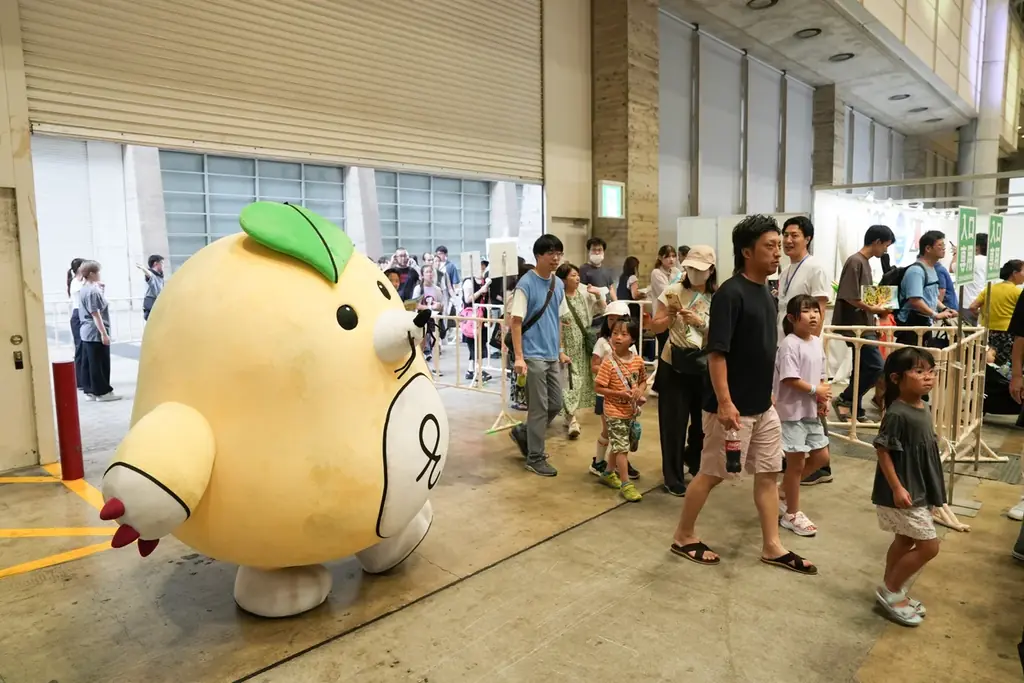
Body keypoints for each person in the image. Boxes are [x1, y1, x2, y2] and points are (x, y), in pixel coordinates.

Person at [669, 214, 816, 575]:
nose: (777, 253)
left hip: (762, 406)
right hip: (731, 408)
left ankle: (772, 546)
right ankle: (684, 536)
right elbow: (717, 353)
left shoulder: (766, 292)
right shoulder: (729, 295)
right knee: (712, 474)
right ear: (747, 251)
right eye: (770, 246)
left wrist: (769, 398)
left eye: (780, 246)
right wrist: (724, 402)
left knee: (768, 473)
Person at [871, 347, 945, 627]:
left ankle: (893, 588)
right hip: (904, 491)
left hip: (920, 487)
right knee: (930, 546)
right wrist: (897, 487)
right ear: (896, 378)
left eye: (931, 371)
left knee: (904, 539)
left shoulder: (921, 406)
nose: (928, 377)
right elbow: (883, 450)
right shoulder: (898, 413)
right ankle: (890, 589)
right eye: (918, 371)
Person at [649, 244, 716, 496]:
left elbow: (723, 334)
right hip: (674, 363)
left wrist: (701, 324)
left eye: (700, 270)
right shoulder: (673, 290)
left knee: (703, 424)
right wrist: (670, 318)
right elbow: (654, 327)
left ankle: (695, 462)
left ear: (711, 270)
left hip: (704, 366)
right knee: (673, 423)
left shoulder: (718, 296)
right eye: (690, 269)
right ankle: (673, 475)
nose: (694, 274)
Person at [776, 216, 833, 486]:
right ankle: (795, 460)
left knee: (812, 401)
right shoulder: (786, 270)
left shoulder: (815, 268)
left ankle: (820, 465)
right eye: (785, 235)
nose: (788, 240)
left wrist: (812, 349)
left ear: (807, 238)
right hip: (785, 346)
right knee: (792, 404)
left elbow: (818, 312)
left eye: (794, 235)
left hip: (805, 349)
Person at [508, 235, 569, 477]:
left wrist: (561, 350)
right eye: (551, 253)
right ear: (539, 256)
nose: (556, 258)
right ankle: (535, 457)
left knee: (555, 403)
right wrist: (519, 357)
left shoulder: (558, 284)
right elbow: (515, 322)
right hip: (532, 354)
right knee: (539, 408)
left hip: (551, 354)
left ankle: (524, 432)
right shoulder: (526, 284)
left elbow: (559, 320)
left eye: (559, 253)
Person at [774, 295, 832, 537]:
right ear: (791, 318)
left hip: (810, 411)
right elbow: (789, 378)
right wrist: (814, 390)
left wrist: (822, 398)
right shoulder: (790, 344)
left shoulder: (816, 342)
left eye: (816, 311)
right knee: (796, 463)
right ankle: (791, 514)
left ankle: (785, 489)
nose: (814, 316)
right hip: (791, 413)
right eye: (807, 311)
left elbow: (820, 372)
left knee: (821, 457)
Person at [831, 225, 894, 428]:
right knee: (876, 367)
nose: (885, 250)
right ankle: (845, 398)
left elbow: (861, 296)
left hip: (864, 325)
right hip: (856, 326)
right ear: (876, 242)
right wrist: (875, 309)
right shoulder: (855, 262)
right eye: (885, 246)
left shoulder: (864, 263)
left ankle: (854, 408)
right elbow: (850, 296)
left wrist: (877, 307)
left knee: (863, 366)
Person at [594, 316, 647, 502]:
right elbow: (598, 388)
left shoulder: (638, 361)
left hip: (630, 412)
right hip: (613, 411)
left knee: (619, 445)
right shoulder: (608, 363)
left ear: (632, 339)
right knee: (622, 447)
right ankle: (626, 483)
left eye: (624, 334)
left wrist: (638, 393)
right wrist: (619, 395)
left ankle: (608, 473)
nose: (618, 337)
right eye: (615, 333)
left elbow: (642, 381)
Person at [589, 301, 639, 482]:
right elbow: (593, 365)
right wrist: (608, 368)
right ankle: (600, 462)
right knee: (609, 431)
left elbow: (634, 368)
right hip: (606, 395)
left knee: (622, 432)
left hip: (626, 397)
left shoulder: (631, 346)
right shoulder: (602, 342)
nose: (614, 323)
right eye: (610, 319)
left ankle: (616, 462)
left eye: (619, 319)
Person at [556, 262, 605, 439]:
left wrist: (598, 295)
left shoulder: (584, 295)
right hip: (568, 347)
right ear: (563, 280)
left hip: (583, 345)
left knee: (581, 381)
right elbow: (558, 325)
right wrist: (560, 349)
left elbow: (603, 309)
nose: (577, 278)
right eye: (572, 275)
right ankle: (573, 420)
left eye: (577, 275)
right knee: (571, 382)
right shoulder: (559, 298)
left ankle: (570, 417)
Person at [894, 230, 957, 347]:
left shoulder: (931, 268)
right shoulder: (916, 271)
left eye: (944, 245)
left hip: (924, 322)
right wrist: (935, 315)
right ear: (928, 248)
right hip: (912, 324)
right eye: (940, 245)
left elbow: (931, 296)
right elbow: (915, 300)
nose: (944, 249)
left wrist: (944, 309)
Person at [77, 260, 121, 402]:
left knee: (89, 362)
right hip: (95, 331)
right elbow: (96, 313)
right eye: (98, 272)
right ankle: (102, 391)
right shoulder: (92, 291)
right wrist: (104, 333)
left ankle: (90, 390)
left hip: (86, 331)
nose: (99, 275)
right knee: (100, 362)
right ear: (91, 274)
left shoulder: (84, 289)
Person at [970, 259, 1024, 365]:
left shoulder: (990, 288)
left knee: (991, 362)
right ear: (1014, 273)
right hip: (1009, 334)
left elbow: (973, 307)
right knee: (1007, 364)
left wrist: (983, 315)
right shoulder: (1018, 292)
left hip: (989, 333)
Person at [649, 245, 680, 361]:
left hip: (675, 315)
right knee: (664, 349)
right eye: (667, 257)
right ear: (660, 258)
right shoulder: (656, 273)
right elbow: (667, 292)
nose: (671, 259)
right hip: (661, 315)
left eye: (673, 256)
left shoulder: (677, 271)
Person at [579, 237, 617, 323]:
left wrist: (616, 304)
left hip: (607, 312)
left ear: (603, 252)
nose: (596, 252)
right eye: (594, 250)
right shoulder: (583, 269)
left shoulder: (606, 270)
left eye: (599, 250)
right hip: (593, 314)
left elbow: (611, 288)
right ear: (589, 251)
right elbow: (581, 291)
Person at [414, 264, 442, 363]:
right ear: (422, 275)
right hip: (422, 318)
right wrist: (430, 307)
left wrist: (438, 306)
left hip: (434, 319)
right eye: (427, 272)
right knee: (422, 342)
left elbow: (440, 305)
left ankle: (436, 366)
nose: (430, 274)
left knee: (435, 341)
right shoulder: (418, 289)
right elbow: (416, 305)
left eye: (431, 272)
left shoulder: (437, 289)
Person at [960, 232, 989, 325]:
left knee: (967, 336)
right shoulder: (991, 262)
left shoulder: (972, 260)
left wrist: (958, 253)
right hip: (984, 304)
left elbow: (952, 268)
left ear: (977, 246)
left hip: (968, 304)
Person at [66, 258, 87, 390]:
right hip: (78, 314)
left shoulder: (80, 281)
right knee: (80, 347)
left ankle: (83, 378)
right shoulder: (76, 282)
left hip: (81, 314)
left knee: (84, 348)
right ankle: (79, 380)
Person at [138, 254, 165, 321]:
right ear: (155, 263)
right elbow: (149, 276)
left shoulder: (160, 277)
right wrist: (144, 269)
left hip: (158, 305)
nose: (163, 266)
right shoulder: (152, 274)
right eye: (162, 263)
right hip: (151, 306)